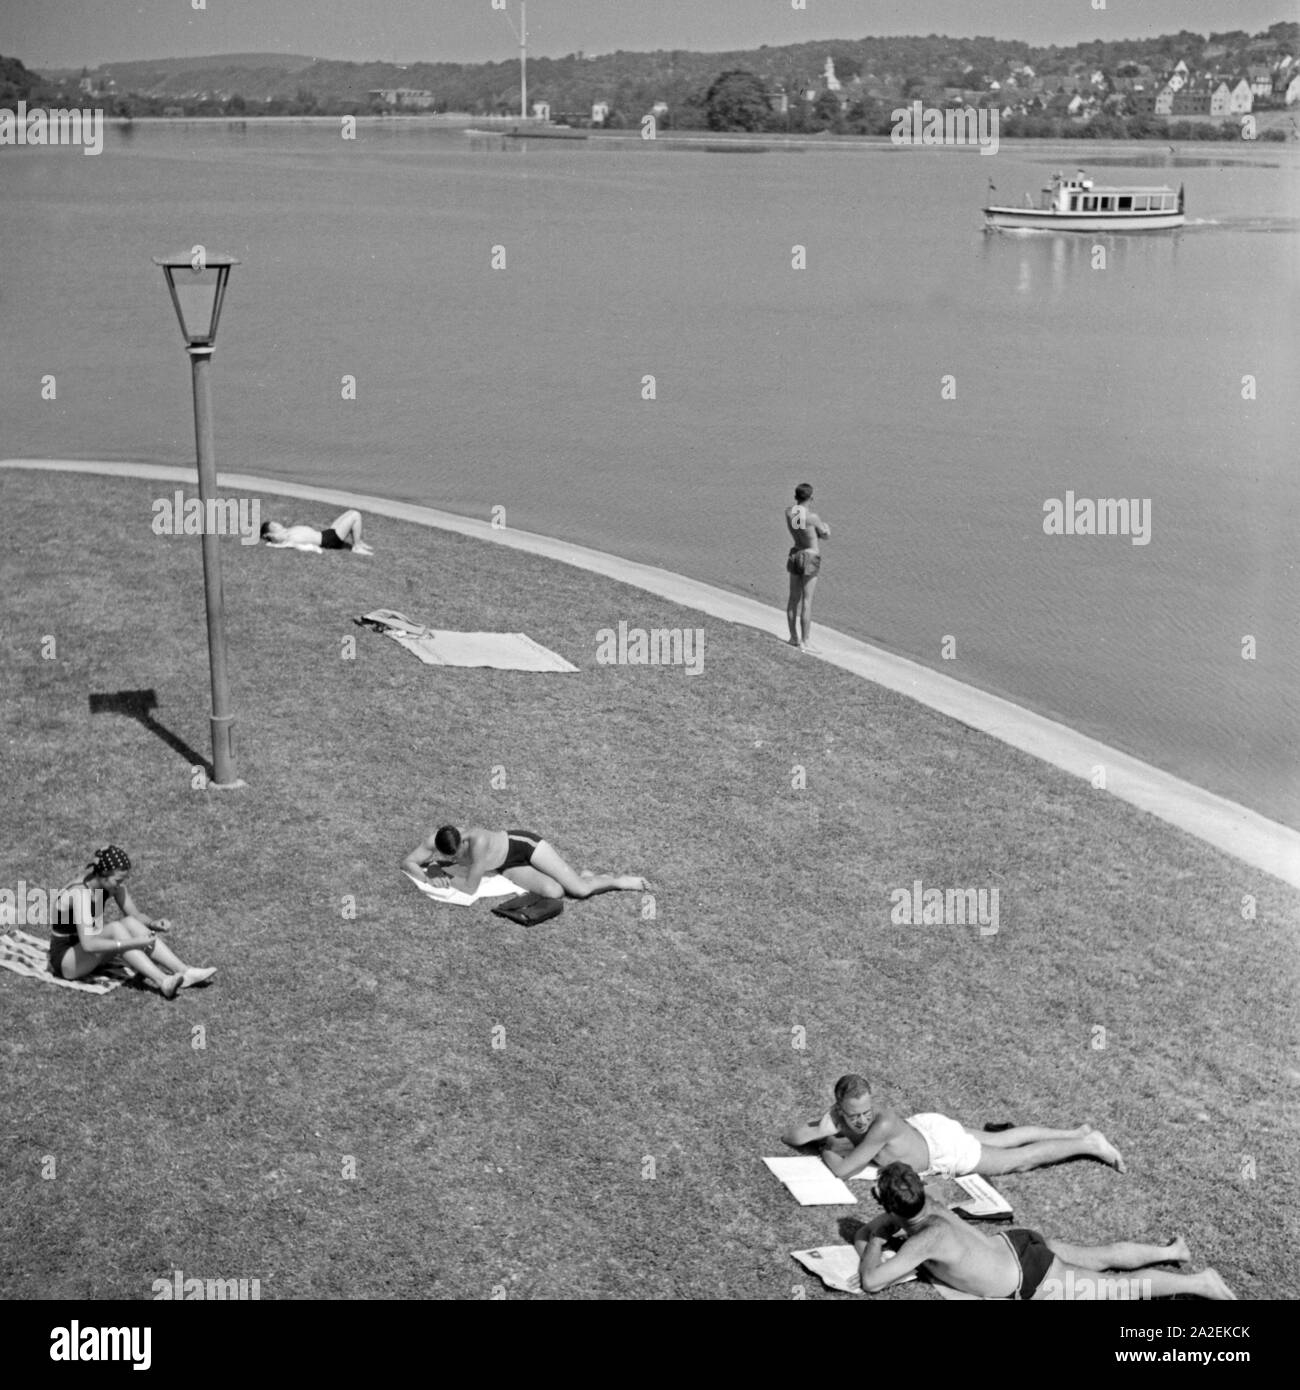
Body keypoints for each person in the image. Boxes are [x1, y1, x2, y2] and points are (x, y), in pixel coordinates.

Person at [855, 1161, 1234, 1300]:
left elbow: (872, 1281)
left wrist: (875, 1237)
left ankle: (1202, 1283)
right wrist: (891, 1217)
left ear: (890, 1207)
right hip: (1019, 1242)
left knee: (1120, 1291)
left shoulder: (923, 1240)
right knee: (1099, 1257)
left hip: (1031, 1275)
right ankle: (1173, 1252)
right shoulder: (931, 1201)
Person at [782, 1073, 1124, 1180]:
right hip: (926, 1129)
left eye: (865, 1111)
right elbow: (793, 1136)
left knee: (1017, 1159)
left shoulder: (880, 1124)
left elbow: (843, 1171)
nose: (861, 1120)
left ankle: (1088, 1144)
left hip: (941, 1149)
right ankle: (1075, 1132)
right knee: (999, 1138)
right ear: (841, 1106)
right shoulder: (840, 1115)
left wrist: (827, 1146)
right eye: (853, 1115)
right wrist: (822, 1126)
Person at [47, 846, 216, 999]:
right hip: (67, 962)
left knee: (128, 922)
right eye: (118, 880)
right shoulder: (80, 893)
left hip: (85, 954)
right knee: (115, 928)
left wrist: (153, 923)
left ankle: (184, 972)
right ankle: (163, 981)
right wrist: (135, 943)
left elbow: (135, 915)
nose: (120, 885)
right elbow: (89, 945)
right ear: (104, 874)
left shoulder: (107, 885)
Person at [402, 825, 649, 900]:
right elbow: (409, 862)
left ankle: (615, 881)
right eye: (450, 857)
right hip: (505, 865)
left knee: (580, 890)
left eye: (457, 853)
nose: (455, 859)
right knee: (555, 892)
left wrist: (441, 874)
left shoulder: (476, 843)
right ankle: (584, 875)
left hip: (523, 846)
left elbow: (469, 887)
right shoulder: (433, 841)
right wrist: (429, 875)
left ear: (461, 840)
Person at [785, 483, 829, 652]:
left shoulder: (789, 512)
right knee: (807, 601)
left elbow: (799, 527)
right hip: (810, 556)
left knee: (792, 599)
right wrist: (826, 530)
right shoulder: (813, 517)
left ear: (796, 496)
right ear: (811, 498)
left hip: (795, 553)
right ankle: (805, 641)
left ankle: (793, 637)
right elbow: (824, 535)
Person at [261, 509, 373, 554]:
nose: (277, 524)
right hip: (329, 540)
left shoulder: (286, 531)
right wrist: (270, 540)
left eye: (275, 523)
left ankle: (359, 541)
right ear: (270, 533)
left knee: (351, 511)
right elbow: (280, 543)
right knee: (355, 515)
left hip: (327, 533)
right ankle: (357, 546)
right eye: (273, 525)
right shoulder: (282, 537)